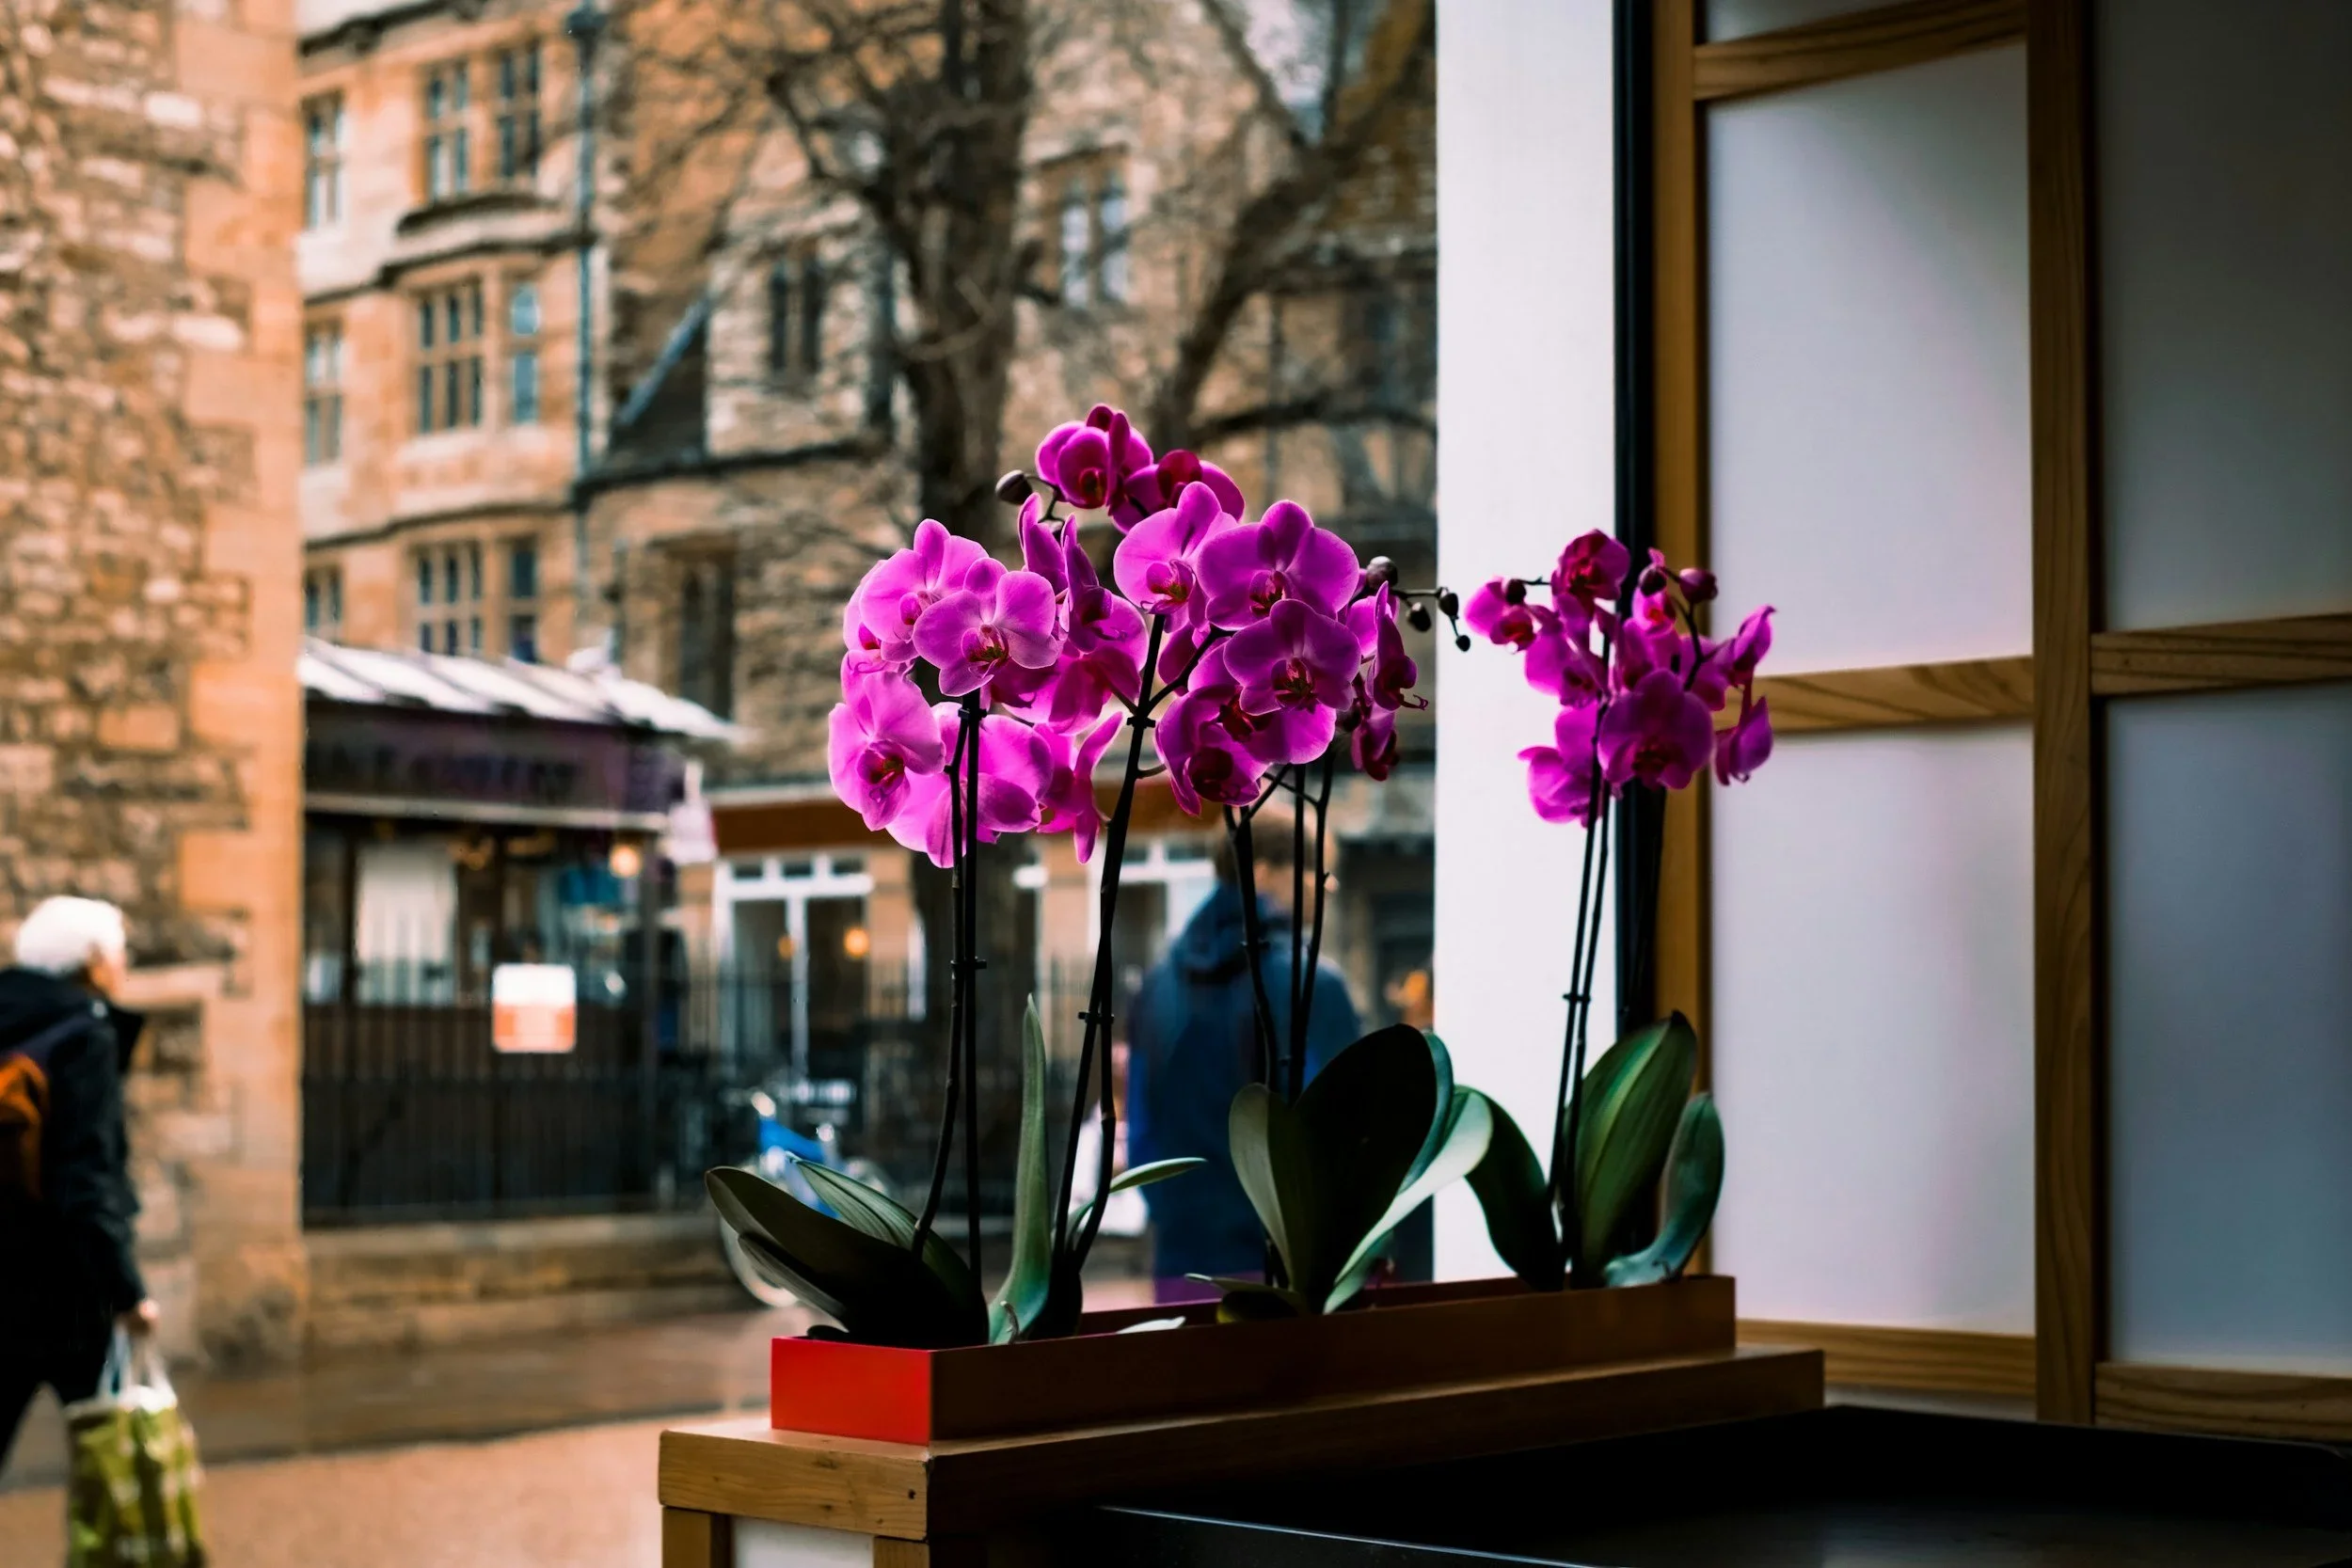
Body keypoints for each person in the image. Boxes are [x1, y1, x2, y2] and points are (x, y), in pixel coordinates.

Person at [1125, 818, 1364, 1291]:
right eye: (1317, 873)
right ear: (1263, 871)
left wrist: (1177, 1213)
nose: (1327, 888)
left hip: (1182, 1263)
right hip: (1289, 1273)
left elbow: (1141, 1132)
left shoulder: (1155, 986)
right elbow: (1342, 1137)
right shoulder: (1314, 983)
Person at [0, 897, 158, 1468]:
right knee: (111, 1466)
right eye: (118, 955)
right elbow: (86, 1179)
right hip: (67, 1288)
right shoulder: (83, 1036)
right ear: (92, 963)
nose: (122, 968)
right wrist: (127, 1292)